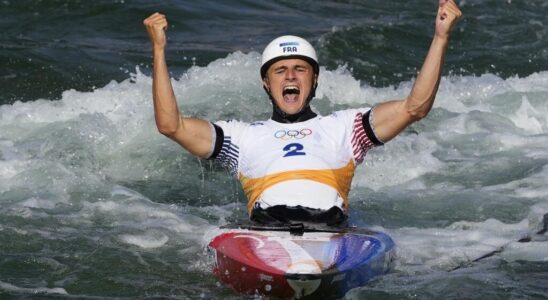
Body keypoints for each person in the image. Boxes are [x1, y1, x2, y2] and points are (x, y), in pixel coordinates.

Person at [143, 1, 462, 226]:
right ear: (266, 84)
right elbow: (171, 125)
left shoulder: (347, 128)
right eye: (280, 71)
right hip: (266, 233)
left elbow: (414, 108)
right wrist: (158, 50)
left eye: (300, 69)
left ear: (315, 80)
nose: (291, 77)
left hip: (331, 231)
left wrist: (441, 37)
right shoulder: (240, 138)